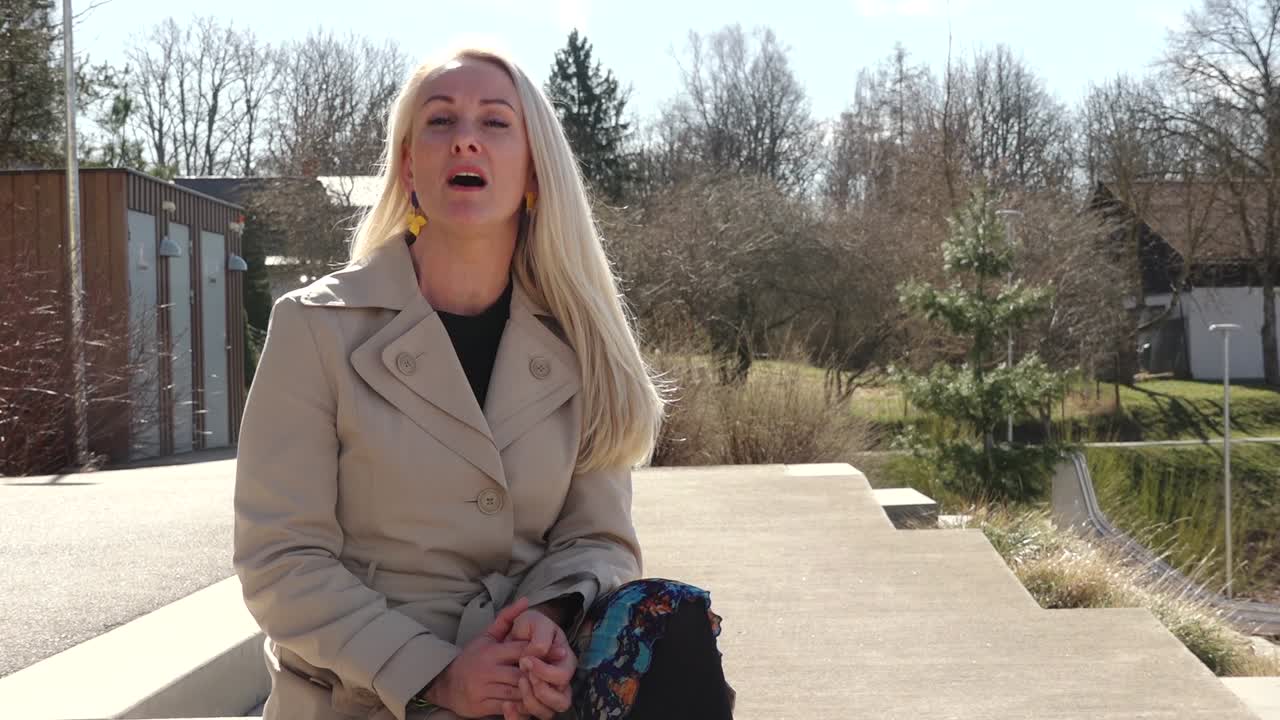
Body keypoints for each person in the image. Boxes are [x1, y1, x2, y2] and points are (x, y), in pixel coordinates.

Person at [232, 44, 735, 720]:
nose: (465, 137)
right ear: (409, 167)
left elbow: (598, 539)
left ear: (533, 170)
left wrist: (551, 621)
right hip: (370, 695)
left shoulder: (580, 342)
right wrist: (436, 674)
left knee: (675, 626)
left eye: (495, 123)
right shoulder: (314, 327)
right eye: (439, 122)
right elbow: (281, 561)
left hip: (527, 692)